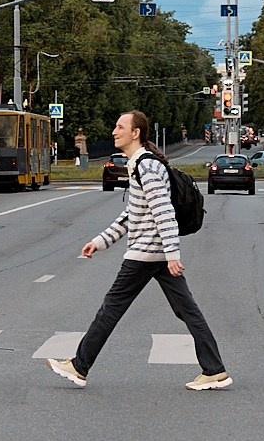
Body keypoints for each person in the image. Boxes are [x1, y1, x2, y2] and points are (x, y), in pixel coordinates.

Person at [46, 110, 231, 391]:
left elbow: (164, 212)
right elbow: (132, 216)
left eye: (120, 127)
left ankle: (79, 366)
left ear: (135, 133)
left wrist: (172, 254)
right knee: (187, 311)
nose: (114, 132)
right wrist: (99, 242)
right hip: (154, 254)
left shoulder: (146, 167)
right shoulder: (141, 165)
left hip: (145, 254)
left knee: (110, 310)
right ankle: (214, 369)